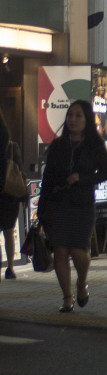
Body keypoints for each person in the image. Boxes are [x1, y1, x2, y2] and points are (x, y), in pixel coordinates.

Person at [37, 100, 107, 312]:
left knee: (79, 251)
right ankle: (67, 297)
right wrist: (41, 209)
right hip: (57, 204)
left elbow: (106, 173)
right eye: (70, 115)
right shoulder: (58, 145)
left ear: (87, 119)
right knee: (60, 251)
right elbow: (47, 179)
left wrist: (82, 178)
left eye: (79, 115)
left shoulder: (95, 145)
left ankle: (82, 283)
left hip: (82, 204)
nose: (73, 119)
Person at [0, 113, 26, 278]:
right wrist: (24, 197)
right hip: (10, 196)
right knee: (9, 232)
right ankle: (10, 268)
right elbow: (20, 172)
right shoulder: (11, 146)